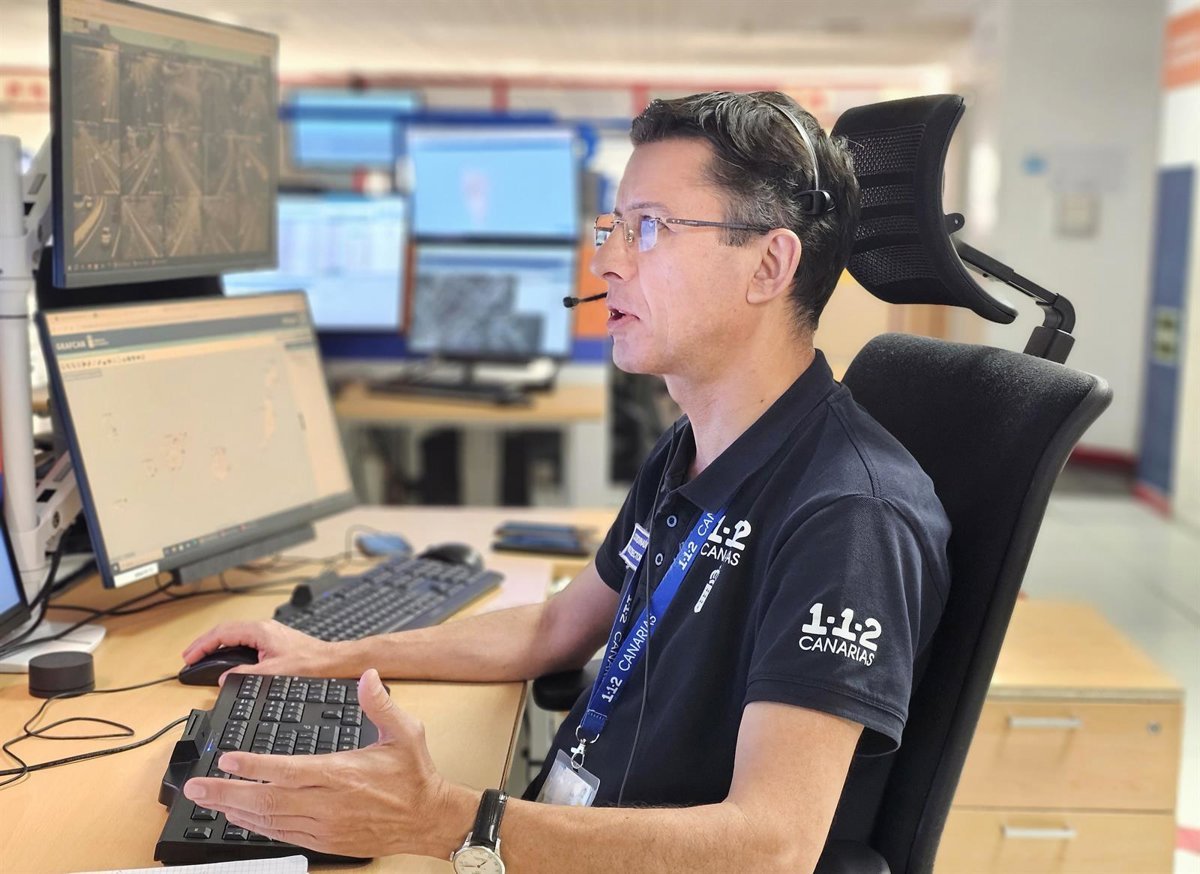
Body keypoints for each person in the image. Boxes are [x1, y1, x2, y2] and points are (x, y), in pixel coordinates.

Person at [181, 90, 951, 873]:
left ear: (770, 265)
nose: (607, 260)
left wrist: (446, 819)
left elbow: (771, 846)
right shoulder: (694, 447)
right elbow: (552, 630)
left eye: (648, 227)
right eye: (613, 226)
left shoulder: (851, 516)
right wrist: (329, 654)